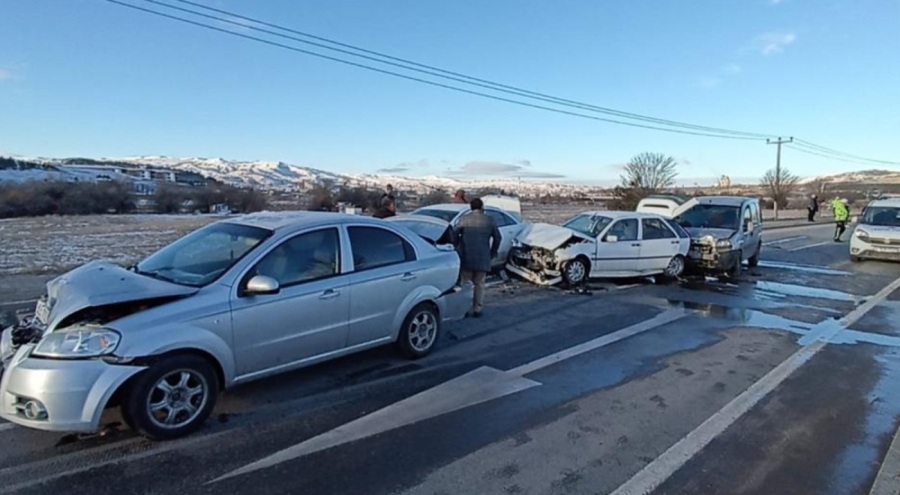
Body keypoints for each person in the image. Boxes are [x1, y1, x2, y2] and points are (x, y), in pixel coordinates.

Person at [454, 198, 501, 318]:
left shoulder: (465, 219)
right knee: (479, 284)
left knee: (465, 284)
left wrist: (458, 245)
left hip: (466, 256)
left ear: (471, 207)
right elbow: (498, 238)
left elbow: (454, 233)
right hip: (483, 256)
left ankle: (464, 309)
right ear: (482, 207)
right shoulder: (489, 220)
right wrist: (493, 252)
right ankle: (477, 309)